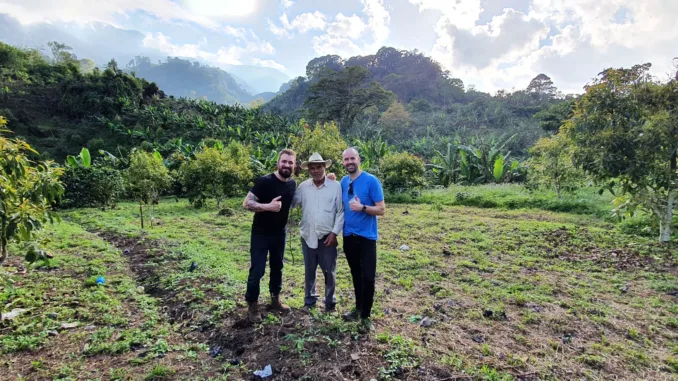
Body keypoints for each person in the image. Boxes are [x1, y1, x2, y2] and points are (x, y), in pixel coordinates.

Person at [242, 149, 297, 323]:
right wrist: (268, 206)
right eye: (284, 161)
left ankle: (275, 299)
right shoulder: (265, 181)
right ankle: (252, 304)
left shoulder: (292, 185)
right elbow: (246, 203)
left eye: (290, 162)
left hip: (279, 234)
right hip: (260, 234)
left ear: (294, 165)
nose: (287, 165)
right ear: (278, 163)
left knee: (277, 267)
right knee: (257, 270)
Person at [339, 147, 385, 331]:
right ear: (343, 162)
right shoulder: (343, 182)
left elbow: (381, 209)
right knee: (356, 275)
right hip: (348, 237)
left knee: (368, 278)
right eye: (346, 159)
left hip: (367, 238)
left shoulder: (371, 181)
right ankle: (358, 309)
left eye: (352, 158)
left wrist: (363, 207)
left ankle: (366, 316)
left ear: (359, 159)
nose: (349, 162)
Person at [291, 153, 344, 313]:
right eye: (312, 168)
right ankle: (309, 301)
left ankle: (330, 303)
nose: (315, 171)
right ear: (309, 170)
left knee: (329, 271)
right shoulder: (303, 187)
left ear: (324, 167)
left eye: (318, 167)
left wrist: (334, 233)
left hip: (327, 237)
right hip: (308, 235)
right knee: (309, 270)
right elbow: (292, 203)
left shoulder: (336, 186)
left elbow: (341, 211)